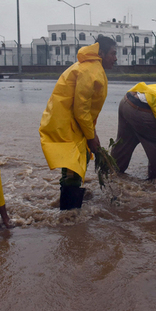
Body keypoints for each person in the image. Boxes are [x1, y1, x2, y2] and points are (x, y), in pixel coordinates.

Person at [39, 36, 117, 210]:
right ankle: (69, 216)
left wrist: (92, 133)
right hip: (66, 124)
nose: (116, 58)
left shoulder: (92, 69)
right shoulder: (91, 71)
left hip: (71, 123)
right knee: (72, 168)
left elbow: (86, 110)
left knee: (75, 165)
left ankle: (69, 212)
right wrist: (91, 137)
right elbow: (81, 110)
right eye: (113, 53)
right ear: (101, 53)